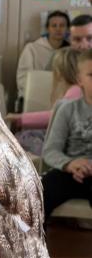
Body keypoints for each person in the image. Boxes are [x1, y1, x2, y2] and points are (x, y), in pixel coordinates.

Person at [41, 49, 92, 223]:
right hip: (68, 172)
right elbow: (51, 150)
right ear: (80, 80)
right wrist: (70, 164)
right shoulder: (67, 109)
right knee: (39, 194)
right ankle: (34, 247)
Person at [7, 49, 82, 156]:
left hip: (67, 145)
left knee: (23, 137)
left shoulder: (75, 91)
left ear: (59, 73)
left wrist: (20, 118)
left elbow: (52, 117)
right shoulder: (78, 91)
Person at [16, 10, 70, 102]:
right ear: (47, 28)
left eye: (62, 25)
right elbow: (23, 78)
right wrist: (35, 94)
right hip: (34, 96)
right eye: (54, 25)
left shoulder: (70, 51)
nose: (58, 29)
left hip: (62, 98)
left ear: (68, 29)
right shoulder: (32, 48)